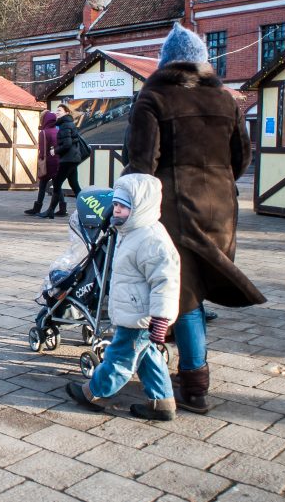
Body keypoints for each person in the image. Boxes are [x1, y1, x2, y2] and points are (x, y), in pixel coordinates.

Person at [125, 22, 265, 414]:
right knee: (196, 288)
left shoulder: (154, 98)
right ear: (202, 63)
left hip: (174, 209)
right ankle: (184, 369)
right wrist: (218, 183)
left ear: (166, 63)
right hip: (221, 208)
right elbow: (243, 158)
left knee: (182, 294)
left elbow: (141, 165)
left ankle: (194, 384)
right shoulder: (225, 101)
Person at [66, 173, 180, 420]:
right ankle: (162, 403)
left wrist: (162, 318)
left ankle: (95, 392)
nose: (115, 211)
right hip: (133, 310)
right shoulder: (130, 232)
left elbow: (166, 282)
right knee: (148, 359)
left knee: (119, 360)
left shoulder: (152, 239)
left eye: (122, 207)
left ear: (140, 208)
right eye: (115, 205)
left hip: (139, 316)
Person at [38, 103, 84, 218]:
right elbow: (71, 141)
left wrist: (56, 151)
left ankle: (50, 211)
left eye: (60, 111)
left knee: (57, 184)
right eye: (57, 110)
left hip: (68, 159)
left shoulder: (65, 125)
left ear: (66, 113)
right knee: (75, 185)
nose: (57, 112)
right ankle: (85, 210)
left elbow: (67, 144)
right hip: (73, 158)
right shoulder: (69, 124)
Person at [25, 110, 59, 216]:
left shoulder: (43, 132)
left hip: (48, 162)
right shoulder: (57, 130)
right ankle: (63, 208)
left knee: (43, 185)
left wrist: (40, 159)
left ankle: (37, 207)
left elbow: (42, 150)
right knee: (57, 185)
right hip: (58, 161)